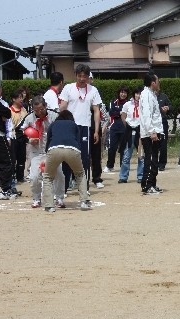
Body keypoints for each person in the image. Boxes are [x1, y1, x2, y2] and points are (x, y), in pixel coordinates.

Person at [58, 64, 101, 192]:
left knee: (84, 158)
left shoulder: (93, 90)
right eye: (80, 76)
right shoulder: (68, 88)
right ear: (76, 75)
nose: (82, 79)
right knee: (67, 156)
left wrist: (96, 131)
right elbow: (62, 107)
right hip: (69, 126)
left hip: (85, 126)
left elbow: (97, 111)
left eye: (85, 76)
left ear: (88, 77)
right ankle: (64, 188)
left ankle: (83, 187)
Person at [16, 96, 64, 208]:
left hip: (52, 151)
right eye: (36, 110)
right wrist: (28, 140)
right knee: (34, 176)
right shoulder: (29, 118)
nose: (39, 112)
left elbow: (63, 130)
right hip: (36, 152)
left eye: (41, 109)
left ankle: (59, 198)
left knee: (59, 174)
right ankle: (36, 198)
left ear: (46, 106)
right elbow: (18, 132)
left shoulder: (55, 116)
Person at [42, 110, 92, 211]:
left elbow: (48, 141)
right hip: (72, 149)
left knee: (48, 177)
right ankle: (84, 201)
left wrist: (48, 154)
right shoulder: (74, 125)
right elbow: (78, 141)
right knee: (80, 174)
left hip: (54, 149)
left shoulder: (53, 124)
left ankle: (49, 205)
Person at [139, 73, 164, 194]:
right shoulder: (146, 95)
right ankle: (147, 185)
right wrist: (151, 131)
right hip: (150, 133)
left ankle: (152, 183)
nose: (159, 83)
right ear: (153, 82)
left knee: (154, 159)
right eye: (157, 81)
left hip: (155, 130)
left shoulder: (152, 94)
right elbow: (146, 115)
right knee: (150, 159)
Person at [118, 87, 144, 184]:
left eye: (140, 94)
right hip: (129, 131)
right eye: (136, 93)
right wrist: (128, 125)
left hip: (140, 131)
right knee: (126, 155)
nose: (138, 96)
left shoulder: (144, 104)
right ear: (134, 94)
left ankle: (141, 176)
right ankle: (123, 176)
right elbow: (123, 116)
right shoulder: (127, 104)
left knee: (141, 155)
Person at [105, 86, 129, 172]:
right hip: (114, 128)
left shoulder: (128, 103)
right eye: (122, 92)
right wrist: (120, 112)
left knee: (123, 149)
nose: (123, 94)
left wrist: (118, 112)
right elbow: (111, 113)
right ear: (119, 93)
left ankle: (123, 166)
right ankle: (109, 166)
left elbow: (128, 114)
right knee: (112, 148)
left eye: (125, 92)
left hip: (124, 128)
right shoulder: (113, 102)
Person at [9, 88, 28, 183]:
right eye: (19, 97)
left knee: (22, 157)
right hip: (13, 136)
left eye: (22, 97)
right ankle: (12, 176)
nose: (21, 99)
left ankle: (20, 176)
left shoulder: (24, 110)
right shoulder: (9, 111)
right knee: (13, 157)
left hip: (23, 137)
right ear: (13, 99)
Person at [156, 87, 171, 171]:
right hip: (153, 122)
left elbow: (170, 106)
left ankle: (162, 164)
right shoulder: (149, 96)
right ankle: (153, 162)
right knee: (153, 143)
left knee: (163, 143)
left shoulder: (163, 96)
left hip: (162, 121)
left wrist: (167, 108)